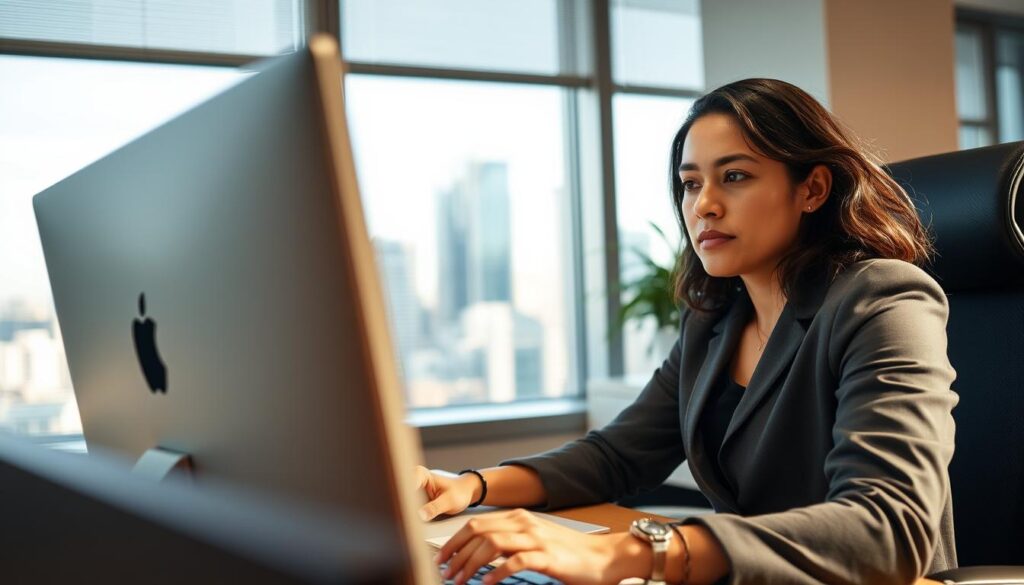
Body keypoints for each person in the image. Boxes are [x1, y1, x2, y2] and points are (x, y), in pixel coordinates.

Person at [416, 78, 959, 585]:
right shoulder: (716, 321)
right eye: (691, 183)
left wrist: (631, 551)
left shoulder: (883, 300)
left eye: (735, 176)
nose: (704, 205)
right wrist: (471, 486)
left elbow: (889, 527)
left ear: (812, 188)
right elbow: (619, 455)